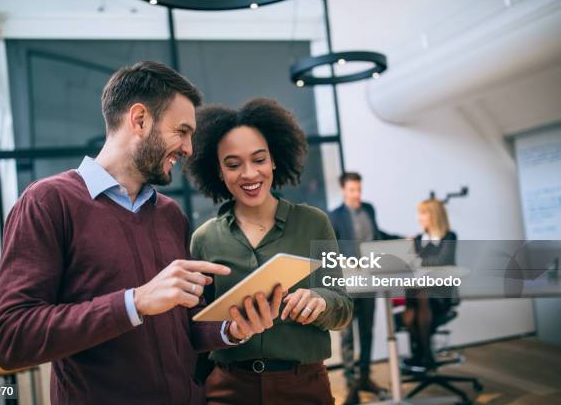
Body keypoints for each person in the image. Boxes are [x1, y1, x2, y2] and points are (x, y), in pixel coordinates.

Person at [0, 61, 281, 405]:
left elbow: (185, 324)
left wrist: (230, 329)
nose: (189, 148)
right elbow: (11, 338)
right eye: (182, 131)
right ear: (140, 119)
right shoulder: (48, 202)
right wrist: (135, 301)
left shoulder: (169, 214)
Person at [186, 98, 353, 405]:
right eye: (233, 165)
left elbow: (343, 308)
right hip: (228, 388)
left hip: (303, 387)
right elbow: (194, 328)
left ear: (274, 159)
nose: (249, 174)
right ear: (219, 172)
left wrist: (321, 301)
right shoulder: (204, 239)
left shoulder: (314, 223)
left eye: (259, 160)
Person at [328, 172, 398, 404]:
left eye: (359, 189)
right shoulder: (335, 216)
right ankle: (351, 384)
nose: (357, 194)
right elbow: (330, 248)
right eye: (352, 190)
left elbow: (377, 236)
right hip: (348, 282)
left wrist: (401, 239)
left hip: (370, 278)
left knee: (367, 330)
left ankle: (365, 377)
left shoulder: (369, 209)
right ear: (343, 190)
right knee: (347, 334)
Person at [403, 199, 458, 369]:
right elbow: (408, 263)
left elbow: (443, 260)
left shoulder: (449, 236)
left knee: (422, 297)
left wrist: (416, 258)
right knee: (409, 316)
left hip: (440, 295)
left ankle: (426, 356)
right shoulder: (418, 239)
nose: (419, 218)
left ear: (434, 215)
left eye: (423, 213)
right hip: (417, 294)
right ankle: (421, 355)